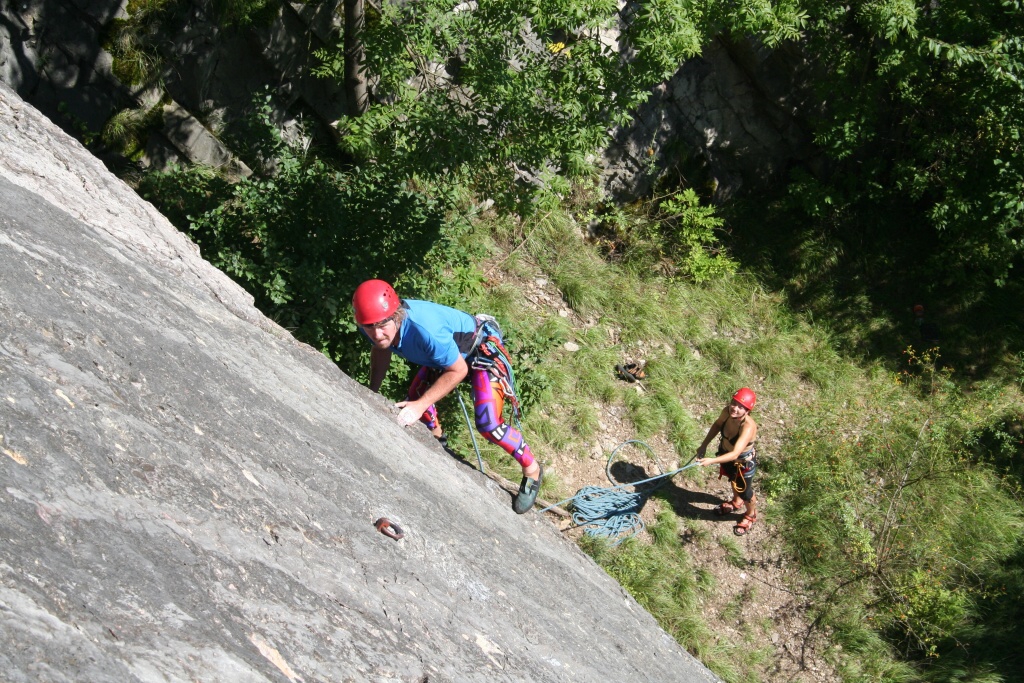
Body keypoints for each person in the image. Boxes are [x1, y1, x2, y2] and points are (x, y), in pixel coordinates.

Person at [352, 279, 543, 514]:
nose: (376, 333)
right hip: (446, 356)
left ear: (396, 316)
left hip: (480, 350)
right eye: (369, 327)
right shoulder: (372, 322)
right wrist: (372, 391)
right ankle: (437, 443)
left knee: (488, 423)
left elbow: (459, 370)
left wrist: (420, 405)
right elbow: (381, 348)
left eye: (382, 325)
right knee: (416, 398)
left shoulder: (425, 330)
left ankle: (532, 470)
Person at [695, 388, 759, 536]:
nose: (735, 408)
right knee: (732, 479)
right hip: (725, 454)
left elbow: (736, 453)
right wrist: (704, 445)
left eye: (740, 407)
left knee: (746, 491)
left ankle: (751, 514)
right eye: (734, 403)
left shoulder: (748, 427)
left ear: (747, 411)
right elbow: (717, 425)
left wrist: (711, 461)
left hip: (743, 463)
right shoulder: (727, 412)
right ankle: (736, 502)